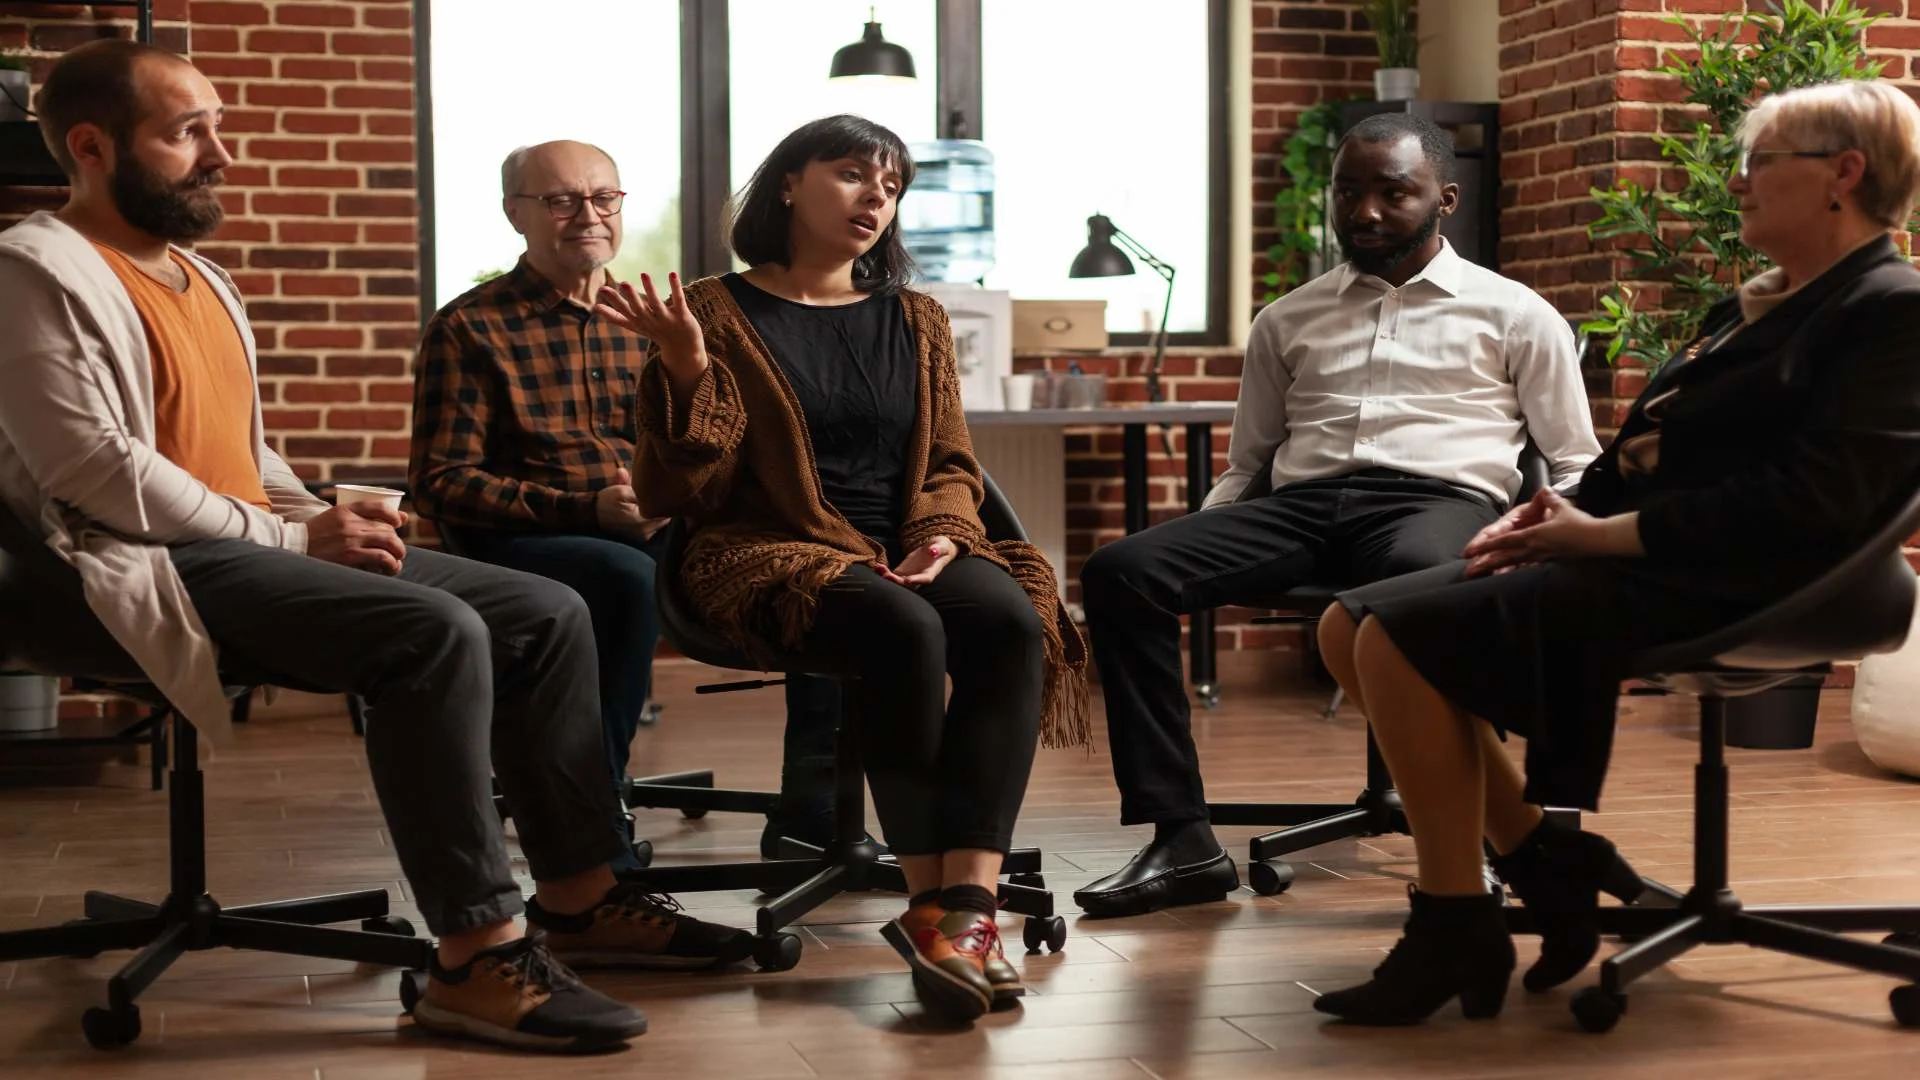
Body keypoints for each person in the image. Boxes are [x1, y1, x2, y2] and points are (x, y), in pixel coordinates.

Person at [0, 40, 752, 1055]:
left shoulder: (196, 276)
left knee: (544, 611)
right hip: (118, 562)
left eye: (218, 125)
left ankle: (582, 898)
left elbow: (235, 446)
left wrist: (317, 512)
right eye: (188, 133)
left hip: (234, 543)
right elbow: (92, 469)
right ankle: (476, 955)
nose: (221, 153)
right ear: (91, 147)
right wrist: (294, 532)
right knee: (430, 631)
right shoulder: (33, 270)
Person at [1309, 80, 1920, 1026]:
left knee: (1392, 640)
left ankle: (1456, 921)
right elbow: (1655, 447)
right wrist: (1547, 514)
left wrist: (1599, 537)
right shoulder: (1764, 303)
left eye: (1761, 163)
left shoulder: (1892, 309)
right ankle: (1550, 862)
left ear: (1844, 175)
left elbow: (1810, 503)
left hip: (1763, 577)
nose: (1741, 181)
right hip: (1661, 553)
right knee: (1346, 625)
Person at [595, 114, 1090, 1022]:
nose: (876, 197)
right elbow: (671, 490)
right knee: (902, 626)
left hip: (908, 539)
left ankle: (965, 909)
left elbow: (948, 461)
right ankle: (931, 907)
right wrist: (682, 364)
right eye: (854, 174)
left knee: (1012, 620)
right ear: (789, 183)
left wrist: (943, 533)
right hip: (765, 547)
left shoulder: (917, 316)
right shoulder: (713, 310)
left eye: (891, 185)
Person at [1073, 113, 1602, 918]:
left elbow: (1572, 459)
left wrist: (1570, 538)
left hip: (1438, 502)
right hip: (1304, 507)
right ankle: (1181, 838)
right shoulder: (1288, 318)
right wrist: (1207, 539)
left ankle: (1471, 844)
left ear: (1444, 198)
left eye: (1394, 193)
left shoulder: (1516, 313)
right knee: (1124, 572)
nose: (1366, 212)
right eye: (1350, 192)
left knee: (1426, 589)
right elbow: (1248, 464)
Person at [409, 139, 846, 868]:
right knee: (620, 575)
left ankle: (811, 815)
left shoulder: (660, 323)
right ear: (516, 214)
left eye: (603, 197)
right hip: (530, 541)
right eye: (560, 200)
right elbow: (440, 482)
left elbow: (721, 442)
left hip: (662, 528)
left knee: (816, 568)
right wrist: (586, 509)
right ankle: (593, 818)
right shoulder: (468, 327)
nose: (588, 215)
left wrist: (684, 486)